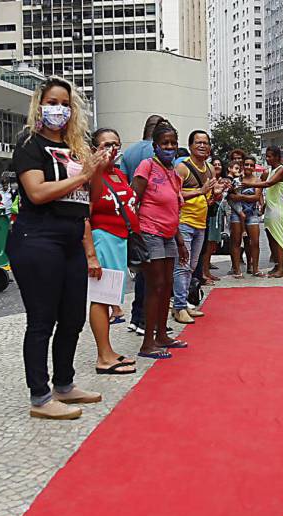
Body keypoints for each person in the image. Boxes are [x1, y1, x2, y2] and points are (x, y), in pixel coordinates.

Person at [9, 76, 107, 420]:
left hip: (71, 239)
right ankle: (40, 395)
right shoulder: (29, 144)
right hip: (37, 238)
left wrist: (97, 171)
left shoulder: (77, 147)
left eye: (65, 104)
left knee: (72, 318)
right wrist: (82, 176)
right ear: (39, 105)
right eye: (52, 103)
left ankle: (64, 383)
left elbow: (90, 199)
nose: (59, 109)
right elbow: (37, 192)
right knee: (42, 320)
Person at [131, 122, 189, 359]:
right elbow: (133, 200)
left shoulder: (174, 173)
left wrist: (180, 241)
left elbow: (174, 208)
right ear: (155, 146)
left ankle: (162, 334)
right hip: (149, 232)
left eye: (173, 143)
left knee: (166, 286)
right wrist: (135, 235)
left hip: (169, 235)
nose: (170, 147)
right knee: (154, 286)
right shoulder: (146, 166)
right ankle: (147, 342)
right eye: (165, 143)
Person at [86, 127, 140, 375]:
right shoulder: (90, 174)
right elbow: (85, 214)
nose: (112, 149)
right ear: (94, 148)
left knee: (110, 297)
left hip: (120, 240)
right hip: (103, 237)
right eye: (106, 144)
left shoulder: (118, 174)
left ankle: (107, 351)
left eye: (116, 144)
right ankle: (103, 355)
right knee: (102, 297)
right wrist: (91, 254)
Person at [122, 114, 166, 334]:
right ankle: (146, 321)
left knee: (142, 268)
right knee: (154, 273)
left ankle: (136, 316)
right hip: (154, 216)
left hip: (135, 214)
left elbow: (124, 183)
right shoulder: (157, 152)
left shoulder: (129, 152)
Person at [243, 146, 283, 277]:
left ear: (277, 157)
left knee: (279, 237)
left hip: (279, 209)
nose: (267, 158)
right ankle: (277, 264)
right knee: (271, 236)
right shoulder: (270, 171)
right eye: (266, 156)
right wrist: (264, 204)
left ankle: (281, 269)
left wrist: (249, 184)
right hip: (270, 208)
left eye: (270, 156)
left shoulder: (281, 170)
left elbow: (268, 184)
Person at [172, 130, 214, 324]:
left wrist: (215, 193)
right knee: (182, 266)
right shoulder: (182, 168)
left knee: (192, 266)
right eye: (198, 142)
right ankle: (179, 307)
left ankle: (185, 303)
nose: (202, 146)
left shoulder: (210, 169)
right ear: (190, 146)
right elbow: (174, 194)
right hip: (184, 222)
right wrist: (200, 191)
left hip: (201, 223)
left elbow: (208, 197)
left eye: (205, 143)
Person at [228, 156, 264, 277]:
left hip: (252, 213)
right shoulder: (237, 179)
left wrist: (240, 197)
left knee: (255, 242)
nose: (248, 167)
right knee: (236, 241)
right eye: (246, 164)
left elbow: (256, 197)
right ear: (243, 166)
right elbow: (230, 196)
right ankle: (237, 270)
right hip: (237, 213)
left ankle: (255, 269)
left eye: (251, 165)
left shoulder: (257, 181)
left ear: (254, 167)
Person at [201, 160, 229, 284]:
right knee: (207, 244)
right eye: (215, 164)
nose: (217, 166)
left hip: (218, 214)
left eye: (219, 164)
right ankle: (203, 272)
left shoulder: (223, 181)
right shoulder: (208, 181)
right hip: (210, 214)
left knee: (212, 244)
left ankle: (207, 271)